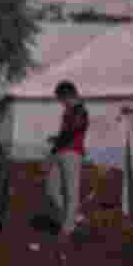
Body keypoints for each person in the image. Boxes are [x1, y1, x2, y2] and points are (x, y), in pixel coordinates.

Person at [44, 80, 89, 239]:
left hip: (73, 154)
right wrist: (55, 145)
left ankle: (67, 228)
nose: (61, 103)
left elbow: (72, 133)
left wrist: (57, 142)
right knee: (51, 189)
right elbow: (66, 133)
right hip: (60, 152)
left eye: (61, 99)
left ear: (68, 95)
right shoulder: (68, 112)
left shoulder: (81, 112)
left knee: (71, 192)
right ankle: (73, 216)